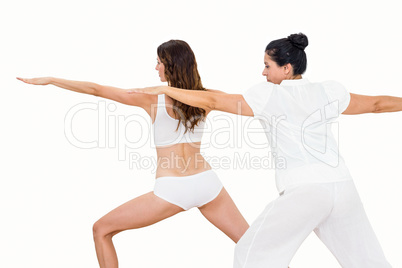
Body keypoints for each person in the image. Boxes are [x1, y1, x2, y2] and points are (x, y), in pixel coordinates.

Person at [130, 33, 399, 267]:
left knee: (251, 254)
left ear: (286, 68)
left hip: (307, 190)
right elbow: (376, 104)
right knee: (368, 262)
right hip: (343, 187)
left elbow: (212, 100)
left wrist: (168, 90)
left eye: (267, 66)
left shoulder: (269, 95)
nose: (263, 72)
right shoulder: (328, 91)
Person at [17, 40, 249, 268]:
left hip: (173, 189)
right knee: (252, 245)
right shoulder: (208, 97)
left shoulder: (151, 98)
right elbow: (250, 106)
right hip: (207, 184)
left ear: (172, 65)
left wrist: (51, 80)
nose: (156, 67)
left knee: (101, 230)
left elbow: (96, 90)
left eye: (159, 62)